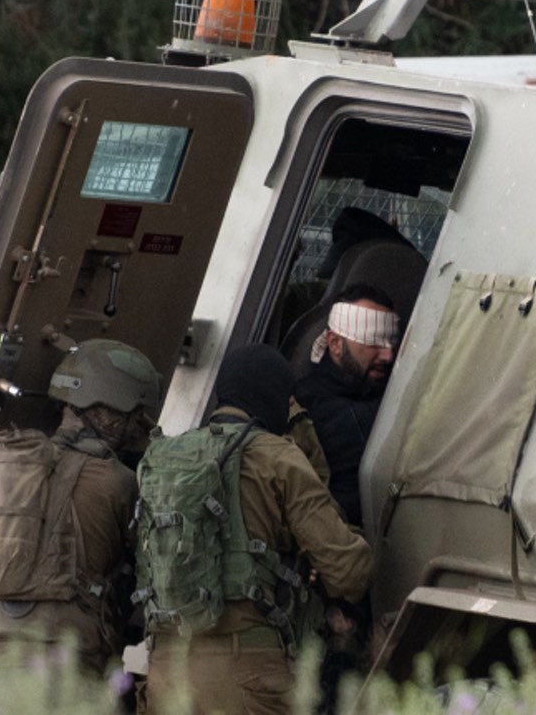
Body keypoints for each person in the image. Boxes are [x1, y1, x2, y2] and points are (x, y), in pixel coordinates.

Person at [142, 344, 373, 715]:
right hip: (248, 670)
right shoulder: (280, 458)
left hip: (167, 668)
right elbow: (349, 573)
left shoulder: (165, 457)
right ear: (274, 395)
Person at [0, 338, 161, 679]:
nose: (135, 428)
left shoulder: (3, 466)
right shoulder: (117, 481)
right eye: (134, 416)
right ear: (106, 407)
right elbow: (154, 571)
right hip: (64, 672)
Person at [294, 282, 399, 528]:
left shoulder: (383, 389)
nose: (388, 356)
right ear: (335, 343)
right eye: (373, 343)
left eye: (390, 343)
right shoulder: (308, 406)